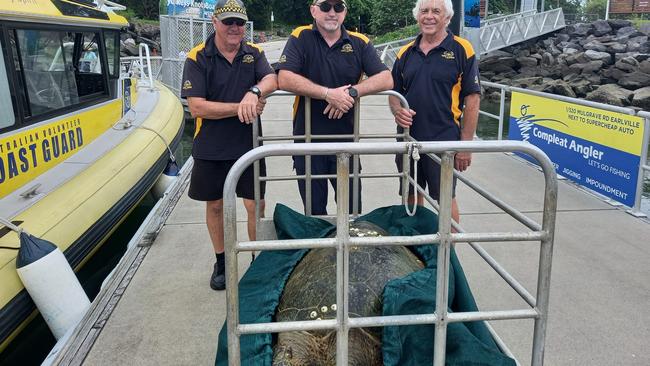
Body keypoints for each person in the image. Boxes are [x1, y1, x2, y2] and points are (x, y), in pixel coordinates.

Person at [181, 0, 278, 290]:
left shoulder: (254, 53)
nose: (235, 28)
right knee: (215, 206)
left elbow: (272, 78)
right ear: (215, 23)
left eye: (239, 23)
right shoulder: (197, 57)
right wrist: (242, 106)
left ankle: (255, 260)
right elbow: (197, 107)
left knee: (255, 204)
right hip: (211, 145)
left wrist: (255, 91)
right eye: (228, 22)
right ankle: (221, 262)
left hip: (250, 142)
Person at [277, 0, 393, 216]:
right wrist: (328, 94)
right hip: (308, 142)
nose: (332, 12)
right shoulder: (301, 37)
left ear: (345, 12)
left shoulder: (359, 42)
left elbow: (386, 78)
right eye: (325, 7)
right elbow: (284, 77)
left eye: (338, 7)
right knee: (314, 213)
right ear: (313, 10)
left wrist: (351, 93)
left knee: (352, 211)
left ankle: (349, 251)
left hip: (347, 143)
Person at [389, 0, 481, 225]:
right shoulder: (405, 52)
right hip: (408, 138)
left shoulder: (462, 49)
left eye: (436, 11)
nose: (429, 16)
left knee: (445, 198)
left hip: (444, 139)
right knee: (410, 195)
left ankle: (449, 253)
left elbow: (473, 99)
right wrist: (397, 111)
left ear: (447, 18)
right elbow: (394, 92)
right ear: (417, 16)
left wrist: (465, 147)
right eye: (424, 11)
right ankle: (416, 246)